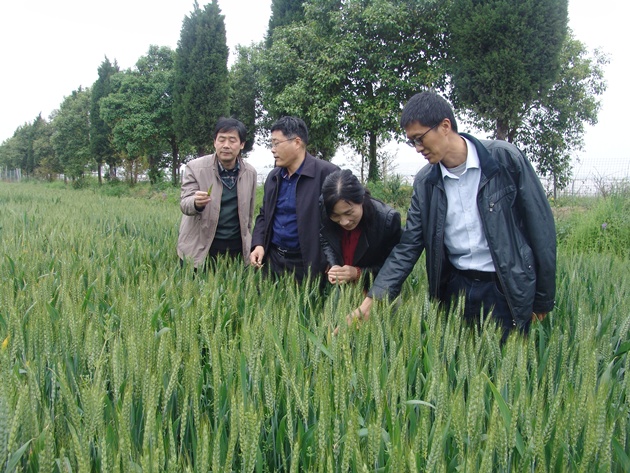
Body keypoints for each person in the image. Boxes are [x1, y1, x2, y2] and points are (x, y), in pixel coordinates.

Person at [351, 91, 556, 337]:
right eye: (412, 142)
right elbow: (408, 245)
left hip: (506, 288)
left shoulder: (505, 159)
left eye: (420, 138)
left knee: (505, 359)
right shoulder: (425, 182)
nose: (418, 148)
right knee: (457, 359)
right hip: (456, 289)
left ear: (445, 126)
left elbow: (541, 229)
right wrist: (374, 298)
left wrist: (543, 299)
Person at [250, 116, 338, 282]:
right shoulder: (274, 177)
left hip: (309, 264)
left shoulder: (327, 174)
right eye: (271, 144)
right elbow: (264, 215)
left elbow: (340, 222)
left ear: (297, 142)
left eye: (276, 143)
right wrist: (258, 244)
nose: (272, 149)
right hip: (273, 260)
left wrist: (332, 259)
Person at [177, 118, 257, 269]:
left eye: (232, 140)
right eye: (221, 139)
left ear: (242, 144)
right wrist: (195, 203)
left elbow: (249, 214)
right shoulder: (195, 167)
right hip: (200, 248)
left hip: (236, 249)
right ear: (214, 142)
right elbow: (185, 203)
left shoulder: (250, 172)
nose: (226, 145)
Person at [320, 169, 402, 289]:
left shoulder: (387, 220)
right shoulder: (324, 209)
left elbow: (396, 265)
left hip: (377, 290)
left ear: (361, 199)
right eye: (336, 216)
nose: (344, 222)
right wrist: (334, 264)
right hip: (341, 291)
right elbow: (325, 238)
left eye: (348, 213)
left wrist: (358, 273)